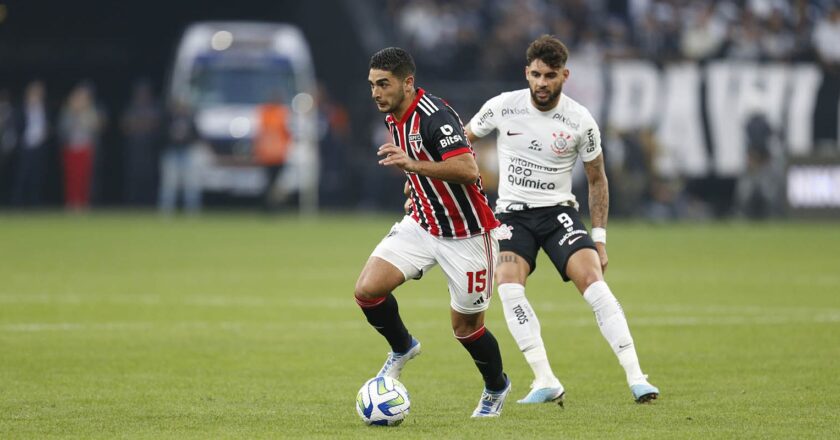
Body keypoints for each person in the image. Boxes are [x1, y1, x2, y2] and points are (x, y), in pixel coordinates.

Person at [465, 35, 659, 404]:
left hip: (558, 215)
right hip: (511, 215)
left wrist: (599, 237)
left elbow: (597, 178)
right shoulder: (503, 107)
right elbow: (461, 141)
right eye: (536, 74)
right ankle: (545, 379)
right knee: (506, 284)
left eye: (550, 75)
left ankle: (637, 377)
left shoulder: (580, 120)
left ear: (564, 76)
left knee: (593, 281)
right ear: (526, 72)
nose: (541, 83)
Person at [355, 47, 511, 418]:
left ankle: (496, 387)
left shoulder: (434, 116)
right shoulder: (393, 114)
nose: (376, 92)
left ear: (408, 83)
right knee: (367, 290)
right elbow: (423, 165)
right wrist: (415, 183)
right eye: (372, 85)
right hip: (424, 223)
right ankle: (403, 346)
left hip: (467, 234)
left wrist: (412, 165)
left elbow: (468, 168)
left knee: (466, 328)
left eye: (384, 84)